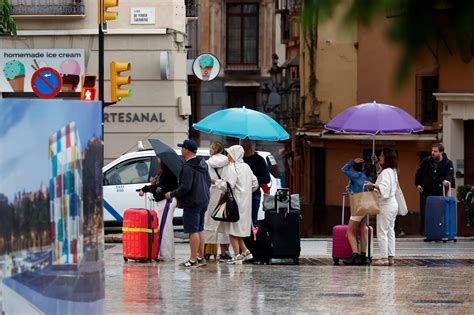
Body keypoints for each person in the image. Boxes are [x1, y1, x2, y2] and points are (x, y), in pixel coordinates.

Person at [165, 139, 211, 268]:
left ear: (186, 150)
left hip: (192, 202)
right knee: (200, 229)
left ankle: (192, 260)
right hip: (203, 200)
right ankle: (201, 258)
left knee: (193, 231)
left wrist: (172, 193)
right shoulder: (203, 163)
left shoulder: (187, 167)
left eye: (182, 148)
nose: (181, 150)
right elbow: (207, 182)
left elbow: (185, 187)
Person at [217, 145, 258, 265]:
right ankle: (245, 251)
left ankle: (237, 256)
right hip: (245, 203)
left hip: (234, 202)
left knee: (232, 229)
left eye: (229, 153)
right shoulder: (246, 167)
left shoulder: (232, 168)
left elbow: (227, 185)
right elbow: (255, 183)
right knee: (239, 229)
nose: (227, 156)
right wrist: (246, 191)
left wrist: (217, 182)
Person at [138, 159, 178, 261]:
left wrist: (146, 188)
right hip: (165, 202)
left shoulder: (167, 172)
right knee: (165, 227)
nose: (158, 160)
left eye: (159, 158)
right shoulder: (164, 172)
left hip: (166, 202)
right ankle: (168, 254)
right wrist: (153, 184)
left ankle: (166, 255)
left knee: (164, 229)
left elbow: (160, 189)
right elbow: (159, 187)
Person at [364, 148, 399, 266]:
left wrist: (372, 185)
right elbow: (381, 174)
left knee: (382, 231)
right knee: (390, 231)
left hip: (386, 204)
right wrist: (377, 163)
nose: (380, 157)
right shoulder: (392, 171)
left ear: (386, 157)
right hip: (393, 204)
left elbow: (384, 188)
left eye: (381, 156)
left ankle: (384, 258)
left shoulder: (386, 172)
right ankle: (390, 257)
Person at [415, 143, 455, 233]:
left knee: (440, 213)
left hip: (440, 192)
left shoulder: (448, 163)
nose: (432, 153)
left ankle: (440, 232)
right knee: (428, 213)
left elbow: (450, 174)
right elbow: (419, 172)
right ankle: (428, 232)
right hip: (428, 192)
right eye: (432, 151)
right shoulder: (426, 161)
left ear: (441, 152)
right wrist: (418, 184)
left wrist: (446, 180)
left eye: (435, 151)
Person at [203, 141, 231, 261]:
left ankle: (208, 251)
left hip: (212, 193)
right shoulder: (228, 161)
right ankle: (224, 252)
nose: (210, 149)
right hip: (224, 193)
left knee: (209, 221)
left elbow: (206, 179)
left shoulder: (208, 163)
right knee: (223, 223)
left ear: (216, 149)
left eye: (212, 147)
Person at [341, 158, 372, 265]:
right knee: (363, 229)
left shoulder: (356, 175)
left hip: (358, 207)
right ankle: (363, 256)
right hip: (366, 207)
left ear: (354, 168)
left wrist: (352, 161)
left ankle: (355, 255)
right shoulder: (367, 177)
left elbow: (343, 169)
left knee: (350, 232)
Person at [242, 139, 271, 226]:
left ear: (249, 147)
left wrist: (252, 179)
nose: (241, 147)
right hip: (240, 194)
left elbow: (266, 179)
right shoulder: (239, 159)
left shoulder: (259, 160)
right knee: (240, 222)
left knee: (252, 221)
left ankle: (252, 239)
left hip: (254, 194)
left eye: (243, 145)